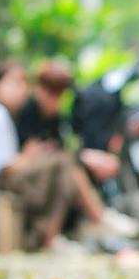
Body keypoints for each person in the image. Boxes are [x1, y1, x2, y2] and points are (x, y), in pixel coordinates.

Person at [0, 60, 134, 249]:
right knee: (62, 166)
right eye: (15, 83)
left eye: (24, 83)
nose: (22, 89)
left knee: (63, 170)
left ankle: (61, 235)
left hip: (2, 177)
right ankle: (98, 219)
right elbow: (8, 165)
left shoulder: (11, 114)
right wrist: (33, 156)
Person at [15, 59, 126, 203]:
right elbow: (31, 154)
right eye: (52, 93)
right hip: (34, 175)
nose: (56, 101)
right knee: (72, 171)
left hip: (55, 169)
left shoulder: (57, 116)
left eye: (60, 94)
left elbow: (62, 147)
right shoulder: (28, 113)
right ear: (40, 89)